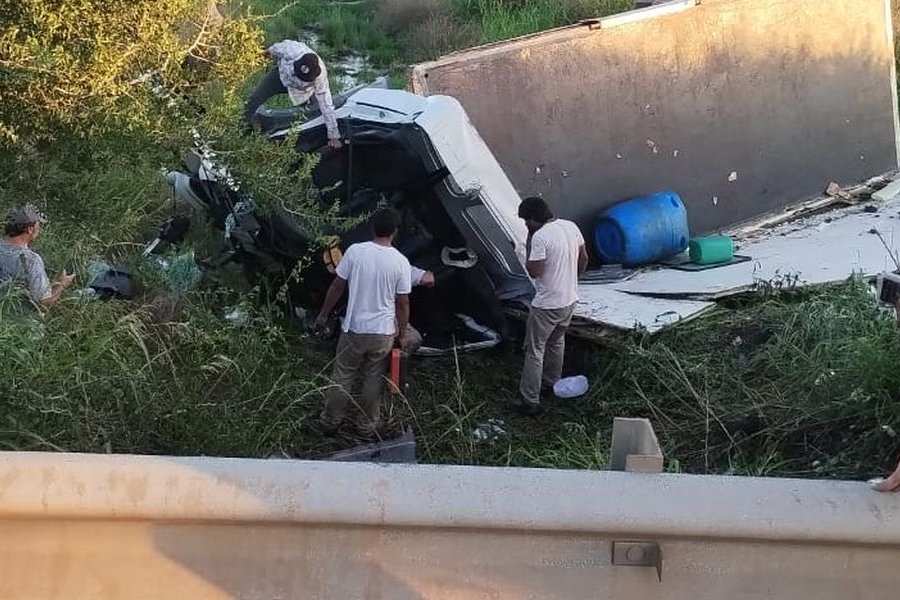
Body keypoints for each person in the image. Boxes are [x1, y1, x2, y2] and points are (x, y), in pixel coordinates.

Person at [316, 208, 412, 435]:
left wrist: (323, 314)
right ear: (395, 232)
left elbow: (337, 286)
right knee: (373, 377)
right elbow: (403, 302)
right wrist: (403, 331)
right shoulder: (401, 262)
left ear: (372, 227)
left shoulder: (355, 252)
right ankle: (366, 425)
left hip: (354, 329)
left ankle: (330, 421)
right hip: (382, 333)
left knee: (343, 374)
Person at [516, 196, 589, 416]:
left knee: (534, 350)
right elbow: (584, 258)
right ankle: (551, 383)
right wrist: (571, 279)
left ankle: (530, 400)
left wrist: (528, 246)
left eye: (525, 221)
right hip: (569, 299)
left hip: (547, 304)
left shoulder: (540, 237)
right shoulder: (570, 226)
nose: (525, 225)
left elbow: (534, 271)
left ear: (532, 219)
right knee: (557, 342)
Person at [244, 39, 342, 149]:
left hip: (303, 92)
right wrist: (264, 55)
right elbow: (273, 49)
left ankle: (304, 141)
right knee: (254, 99)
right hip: (280, 78)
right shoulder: (291, 49)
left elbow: (327, 105)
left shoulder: (320, 78)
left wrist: (334, 136)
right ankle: (240, 129)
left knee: (316, 113)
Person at [0, 204, 75, 310]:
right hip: (17, 321)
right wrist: (62, 284)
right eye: (38, 224)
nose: (39, 228)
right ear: (30, 229)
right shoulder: (31, 260)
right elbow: (44, 303)